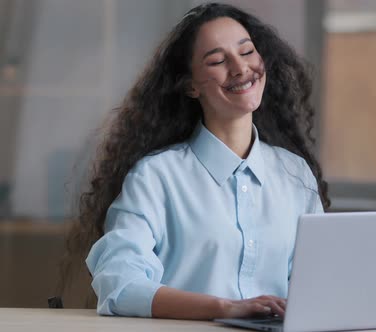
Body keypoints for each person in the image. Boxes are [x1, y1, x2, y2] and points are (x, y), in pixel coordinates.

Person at [59, 2, 330, 321]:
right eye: (217, 60)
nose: (240, 69)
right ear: (190, 85)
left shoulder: (294, 173)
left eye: (246, 52)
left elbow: (320, 285)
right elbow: (120, 285)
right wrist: (225, 308)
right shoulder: (156, 176)